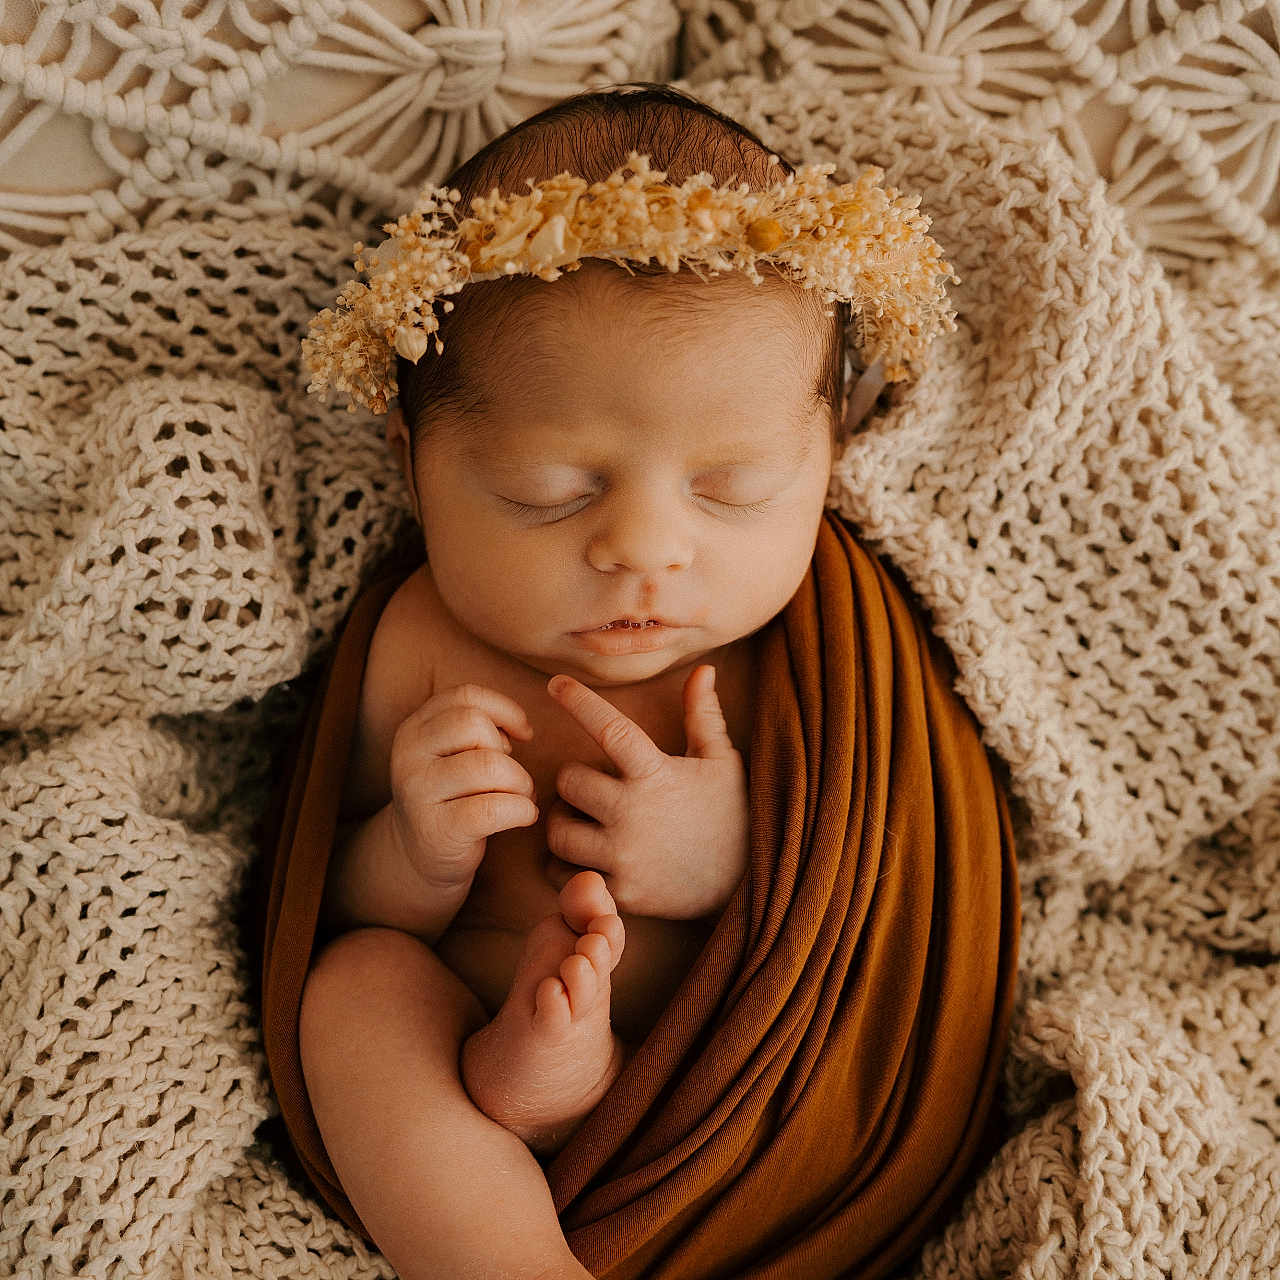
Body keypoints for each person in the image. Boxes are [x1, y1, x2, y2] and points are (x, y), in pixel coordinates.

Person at [257, 82, 1009, 1280]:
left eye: (732, 490)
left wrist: (735, 852)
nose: (642, 549)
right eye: (549, 493)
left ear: (831, 454)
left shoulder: (813, 657)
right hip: (465, 1062)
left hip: (736, 1089)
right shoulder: (419, 643)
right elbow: (324, 897)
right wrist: (409, 849)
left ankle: (572, 1088)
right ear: (415, 467)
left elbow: (891, 880)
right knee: (356, 994)